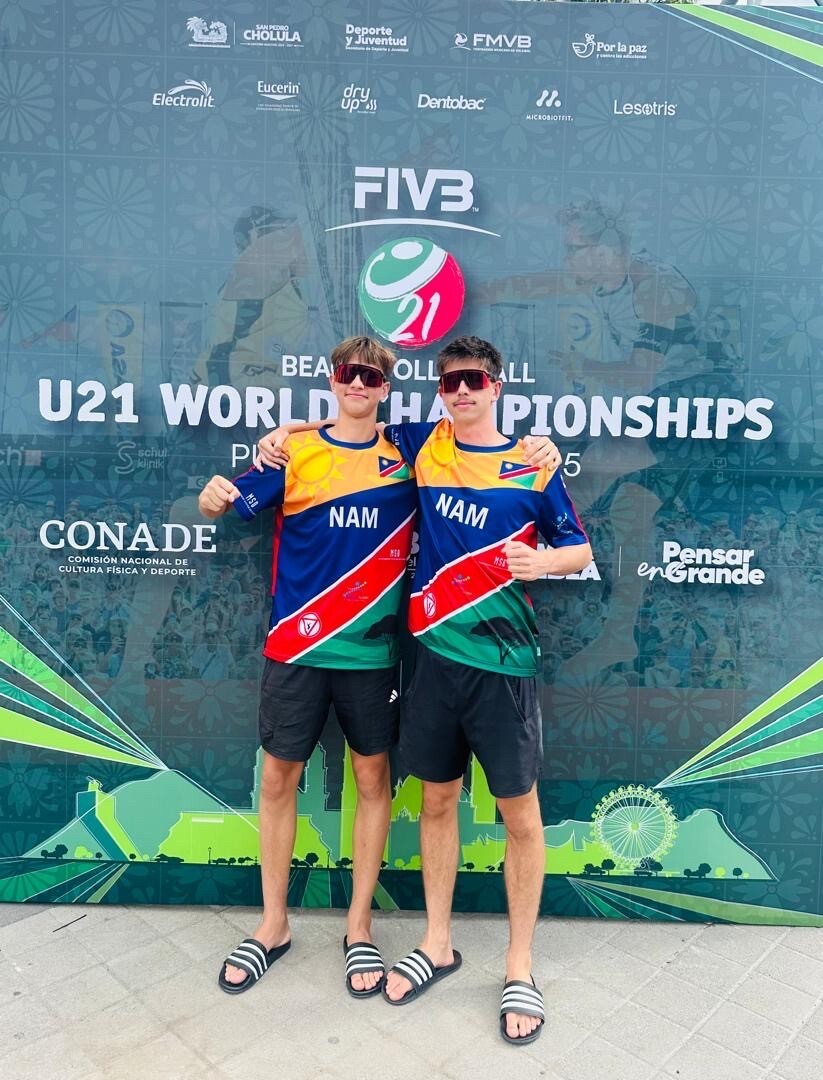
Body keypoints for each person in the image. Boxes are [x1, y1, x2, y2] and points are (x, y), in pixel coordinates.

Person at [259, 336, 589, 1044]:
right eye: (450, 382)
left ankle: (520, 968)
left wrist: (545, 562)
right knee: (436, 800)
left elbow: (580, 547)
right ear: (439, 392)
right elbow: (349, 427)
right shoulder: (421, 444)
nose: (462, 391)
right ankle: (438, 943)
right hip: (432, 661)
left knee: (520, 815)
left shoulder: (534, 464)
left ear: (496, 386)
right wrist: (283, 432)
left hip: (504, 665)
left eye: (474, 380)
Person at [198, 336, 414, 999]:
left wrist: (541, 451)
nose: (359, 383)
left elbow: (477, 444)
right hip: (296, 646)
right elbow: (223, 509)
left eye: (372, 376)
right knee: (277, 779)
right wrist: (212, 496)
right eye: (350, 373)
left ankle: (359, 928)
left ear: (385, 388)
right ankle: (273, 926)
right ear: (332, 378)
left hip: (371, 654)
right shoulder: (293, 451)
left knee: (372, 780)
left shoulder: (410, 453)